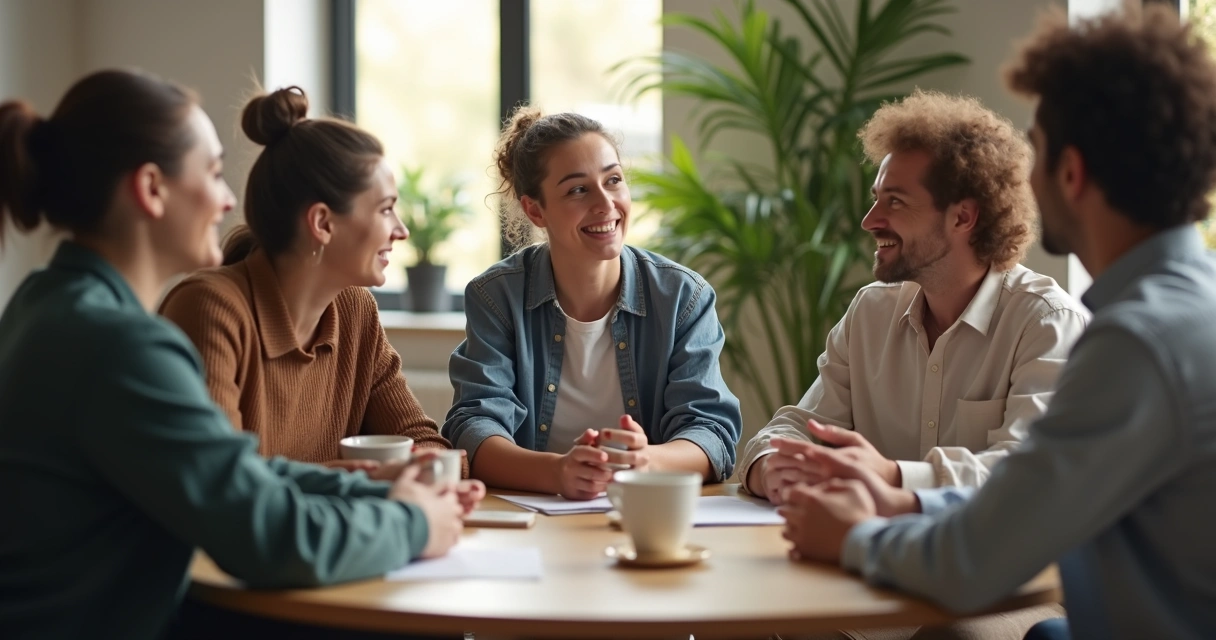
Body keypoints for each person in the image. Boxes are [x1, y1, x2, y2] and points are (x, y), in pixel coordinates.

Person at [778, 6, 1216, 639]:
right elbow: (1033, 494)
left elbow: (975, 562)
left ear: (1072, 172)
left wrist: (856, 538)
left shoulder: (1137, 343)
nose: (1026, 179)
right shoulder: (1186, 306)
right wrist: (907, 502)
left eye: (1036, 153)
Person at [0, 70, 478, 640]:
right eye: (213, 172)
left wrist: (377, 487)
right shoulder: (120, 345)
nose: (229, 199)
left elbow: (236, 474)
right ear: (151, 189)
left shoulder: (47, 302)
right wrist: (411, 522)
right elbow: (264, 534)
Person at [741, 90, 1087, 507]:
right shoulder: (870, 313)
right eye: (876, 199)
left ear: (962, 217)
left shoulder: (1045, 323)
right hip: (861, 556)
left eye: (896, 202)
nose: (870, 221)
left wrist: (894, 476)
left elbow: (1028, 475)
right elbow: (796, 428)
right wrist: (770, 466)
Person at [159, 86, 465, 477]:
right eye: (386, 210)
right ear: (322, 223)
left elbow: (417, 436)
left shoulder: (355, 309)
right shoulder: (210, 308)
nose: (401, 231)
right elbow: (224, 484)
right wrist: (366, 478)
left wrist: (434, 468)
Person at [444, 108, 742, 499]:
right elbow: (474, 427)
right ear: (535, 209)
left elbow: (711, 431)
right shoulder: (496, 297)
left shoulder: (683, 297)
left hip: (645, 512)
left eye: (613, 180)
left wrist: (645, 461)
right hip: (535, 519)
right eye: (578, 190)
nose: (606, 204)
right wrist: (557, 473)